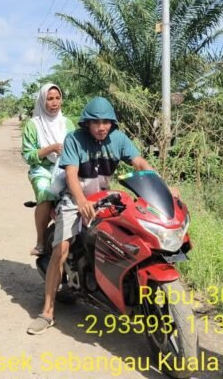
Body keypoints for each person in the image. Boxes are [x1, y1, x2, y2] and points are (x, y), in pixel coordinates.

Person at [26, 96, 155, 335]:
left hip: (104, 198)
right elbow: (72, 175)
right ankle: (47, 312)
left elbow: (139, 163)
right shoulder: (75, 139)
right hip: (74, 199)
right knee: (61, 249)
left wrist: (162, 187)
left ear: (112, 123)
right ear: (87, 123)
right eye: (96, 122)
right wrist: (81, 201)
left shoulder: (118, 139)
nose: (101, 127)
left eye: (106, 122)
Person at [21, 83, 75, 256]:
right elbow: (28, 155)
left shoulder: (67, 123)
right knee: (45, 194)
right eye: (50, 99)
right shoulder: (33, 125)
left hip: (64, 166)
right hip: (41, 169)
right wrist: (50, 149)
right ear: (42, 101)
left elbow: (76, 148)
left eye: (57, 98)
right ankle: (41, 242)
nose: (54, 102)